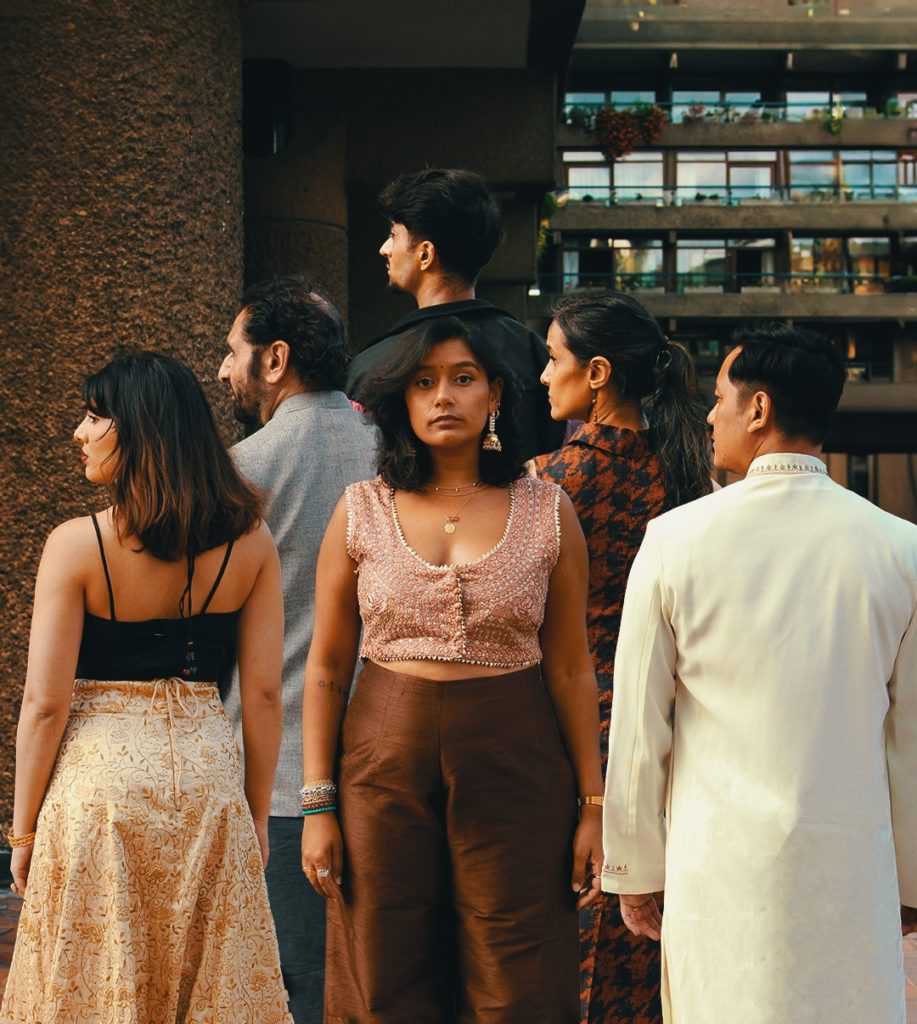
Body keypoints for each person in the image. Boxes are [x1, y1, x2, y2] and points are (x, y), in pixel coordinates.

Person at [602, 322, 917, 1024]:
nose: (709, 415)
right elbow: (910, 741)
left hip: (716, 868)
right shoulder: (901, 550)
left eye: (718, 397)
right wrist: (910, 879)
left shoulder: (674, 539)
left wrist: (633, 866)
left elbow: (638, 727)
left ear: (758, 408)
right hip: (849, 870)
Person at [301, 315, 604, 1023]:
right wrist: (317, 802)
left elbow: (568, 668)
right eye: (424, 382)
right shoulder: (360, 510)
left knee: (516, 970)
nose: (444, 397)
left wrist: (593, 806)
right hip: (379, 760)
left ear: (494, 393)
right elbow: (325, 668)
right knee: (381, 963)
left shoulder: (546, 508)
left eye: (463, 379)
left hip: (517, 759)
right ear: (400, 402)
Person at [2, 351, 291, 1023]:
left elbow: (45, 705)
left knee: (96, 985)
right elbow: (266, 693)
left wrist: (21, 834)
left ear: (141, 430)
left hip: (97, 790)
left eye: (95, 415)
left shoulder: (77, 547)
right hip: (208, 783)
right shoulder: (251, 544)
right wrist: (252, 813)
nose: (79, 430)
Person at [533, 290, 711, 1024]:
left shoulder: (546, 485)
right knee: (643, 934)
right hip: (668, 729)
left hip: (562, 727)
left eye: (553, 359)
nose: (544, 376)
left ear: (597, 373)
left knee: (565, 933)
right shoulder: (689, 481)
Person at [217, 276, 376, 1024]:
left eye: (233, 350)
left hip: (273, 770)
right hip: (387, 753)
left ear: (274, 359)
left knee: (295, 982)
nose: (223, 370)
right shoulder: (394, 455)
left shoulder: (240, 469)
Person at [346, 167, 565, 460]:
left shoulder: (376, 364)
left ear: (425, 254)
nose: (384, 249)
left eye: (393, 235)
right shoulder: (535, 352)